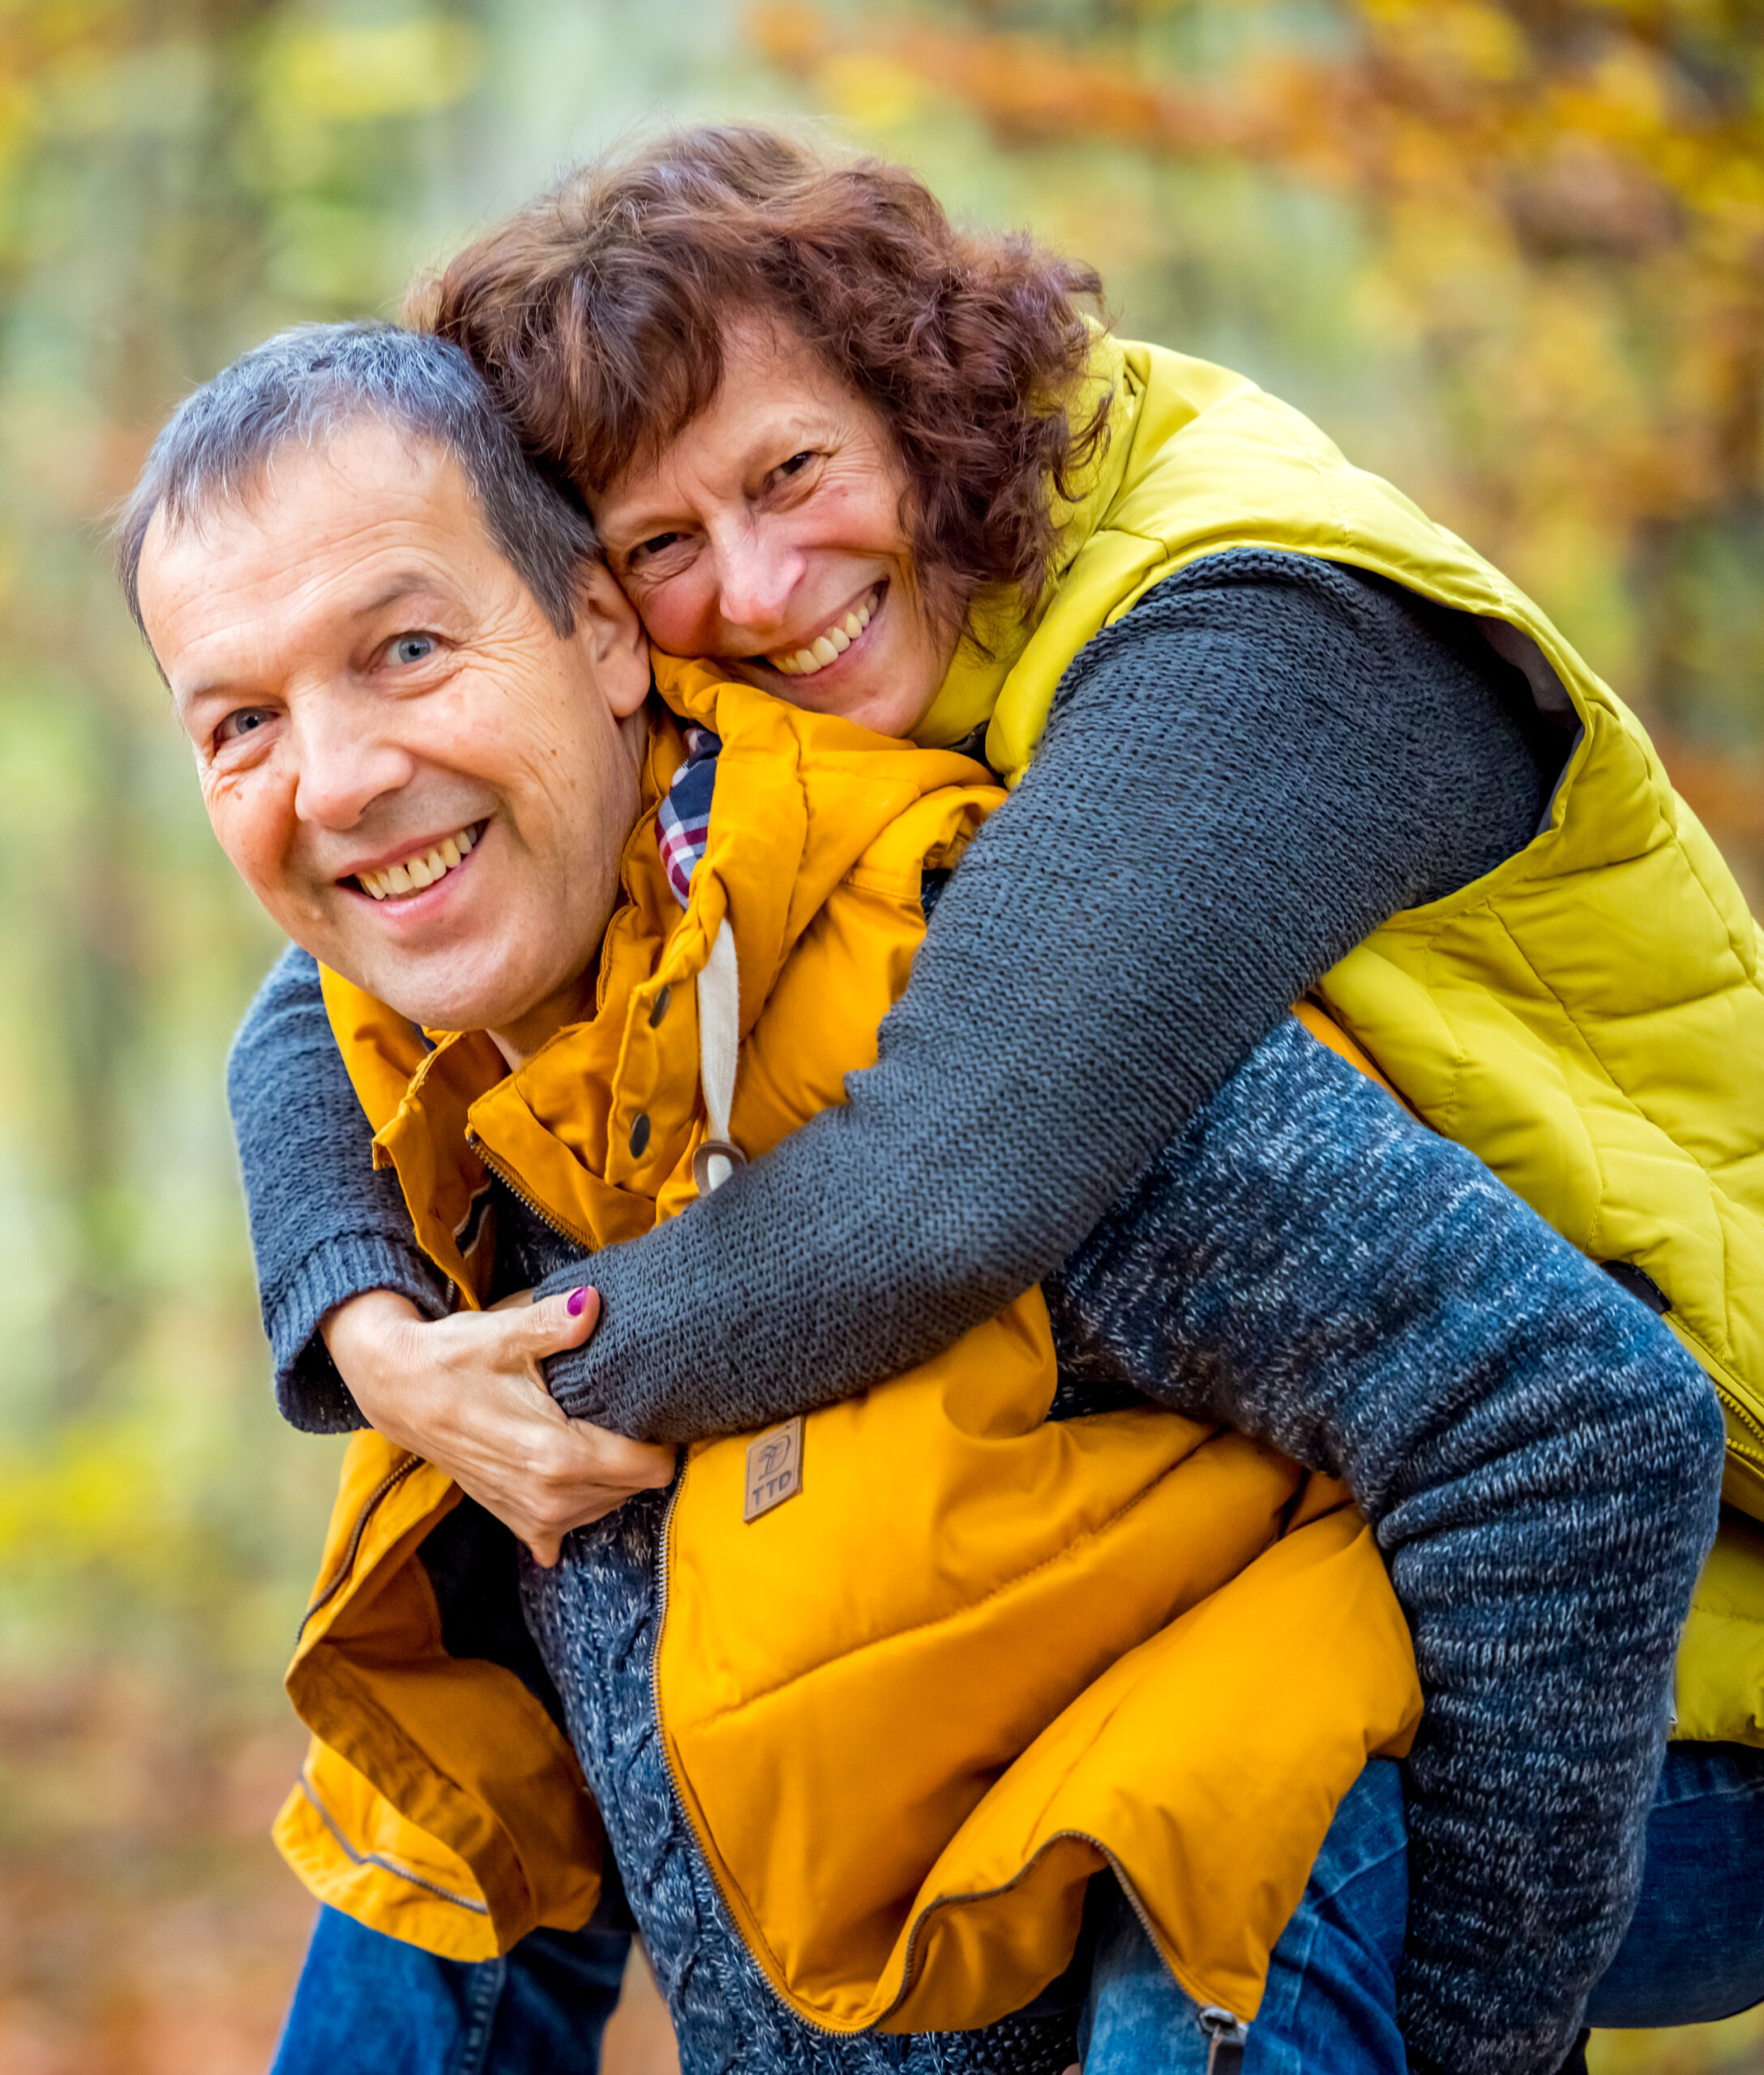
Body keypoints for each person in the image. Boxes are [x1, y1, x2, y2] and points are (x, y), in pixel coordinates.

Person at [223, 128, 1764, 2075]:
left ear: (927, 399)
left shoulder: (1247, 632)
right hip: (1370, 1480)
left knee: (1193, 1801)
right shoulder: (865, 664)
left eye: (790, 475)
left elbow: (943, 1181)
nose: (764, 588)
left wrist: (522, 1397)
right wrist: (375, 1338)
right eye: (661, 546)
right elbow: (329, 963)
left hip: (1670, 1605)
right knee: (558, 1718)